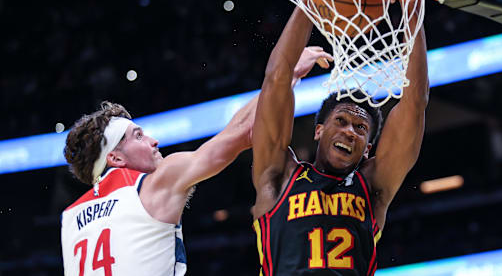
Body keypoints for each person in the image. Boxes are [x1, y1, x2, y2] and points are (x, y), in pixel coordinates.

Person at [60, 47, 329, 276]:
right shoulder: (153, 184)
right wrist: (288, 72)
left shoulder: (69, 218)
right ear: (115, 158)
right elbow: (243, 133)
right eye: (138, 136)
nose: (153, 141)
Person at [251, 3, 428, 275]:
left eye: (360, 128)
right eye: (341, 121)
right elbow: (277, 78)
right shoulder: (280, 176)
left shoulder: (371, 186)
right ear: (319, 130)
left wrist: (411, 8)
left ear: (368, 149)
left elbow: (415, 101)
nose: (349, 131)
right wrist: (310, 0)